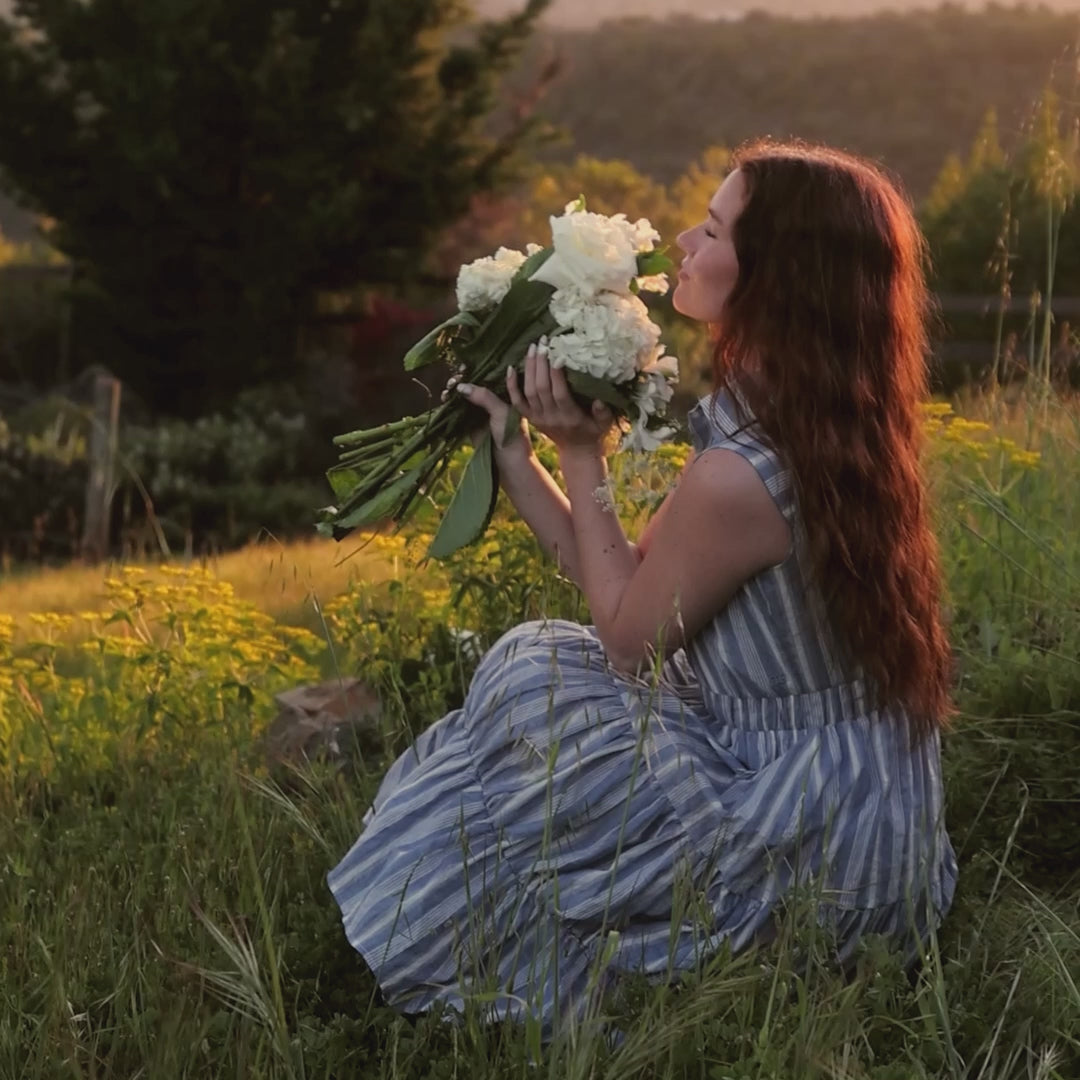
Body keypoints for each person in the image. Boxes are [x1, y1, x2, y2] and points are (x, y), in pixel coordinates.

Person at [328, 138, 959, 1034]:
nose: (685, 245)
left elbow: (627, 642)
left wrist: (582, 452)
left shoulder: (741, 476)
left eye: (714, 231)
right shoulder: (822, 420)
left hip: (803, 826)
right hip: (857, 787)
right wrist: (519, 450)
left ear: (777, 278)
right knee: (538, 673)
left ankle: (433, 938)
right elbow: (619, 578)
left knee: (540, 684)